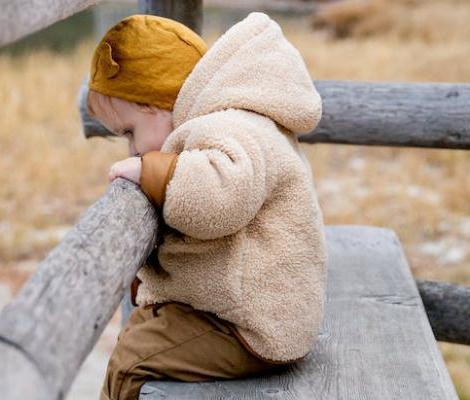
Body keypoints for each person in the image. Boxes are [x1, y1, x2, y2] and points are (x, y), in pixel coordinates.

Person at [86, 11, 327, 400]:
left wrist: (154, 171)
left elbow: (220, 197)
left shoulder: (235, 127)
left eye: (130, 132)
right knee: (141, 331)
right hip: (233, 310)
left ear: (159, 103)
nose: (133, 148)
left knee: (132, 362)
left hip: (255, 325)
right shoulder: (213, 124)